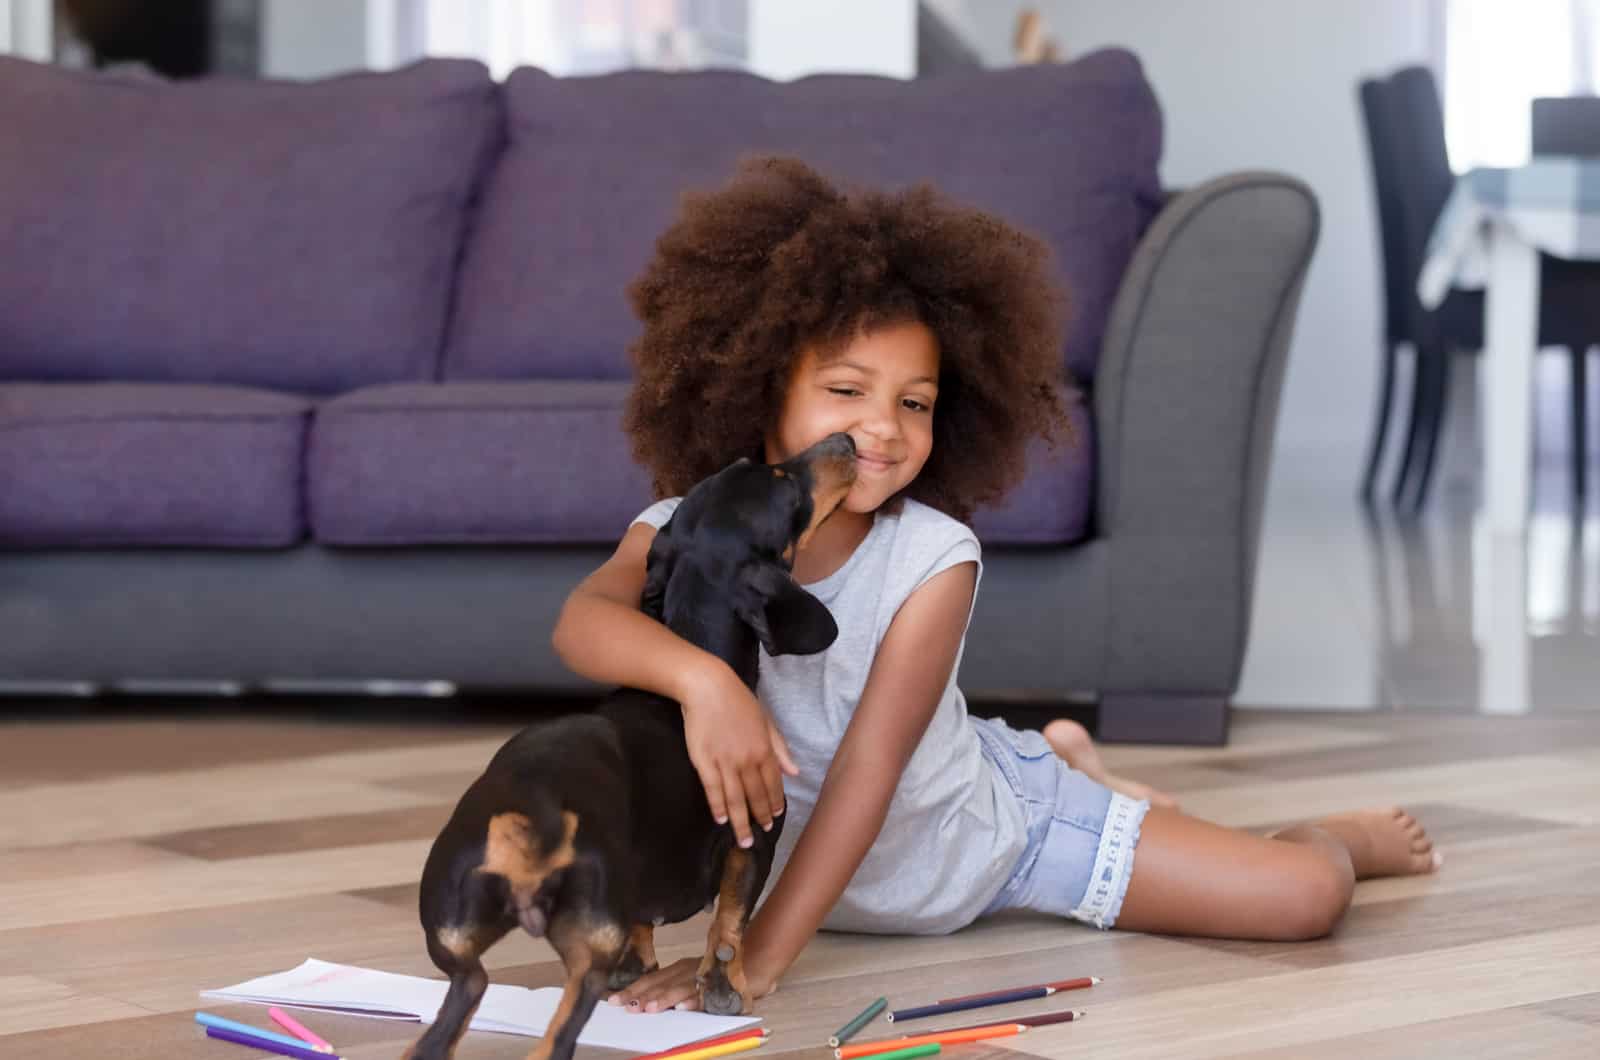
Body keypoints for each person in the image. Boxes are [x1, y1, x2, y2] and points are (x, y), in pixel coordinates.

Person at [551, 156, 1439, 1013]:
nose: (883, 429)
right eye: (846, 389)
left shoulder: (934, 558)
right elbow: (584, 621)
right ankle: (1085, 763)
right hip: (818, 877)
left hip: (989, 844)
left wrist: (751, 962)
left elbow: (868, 769)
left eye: (916, 402)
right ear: (758, 390)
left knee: (1303, 899)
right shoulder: (689, 530)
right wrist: (703, 682)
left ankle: (1324, 834)